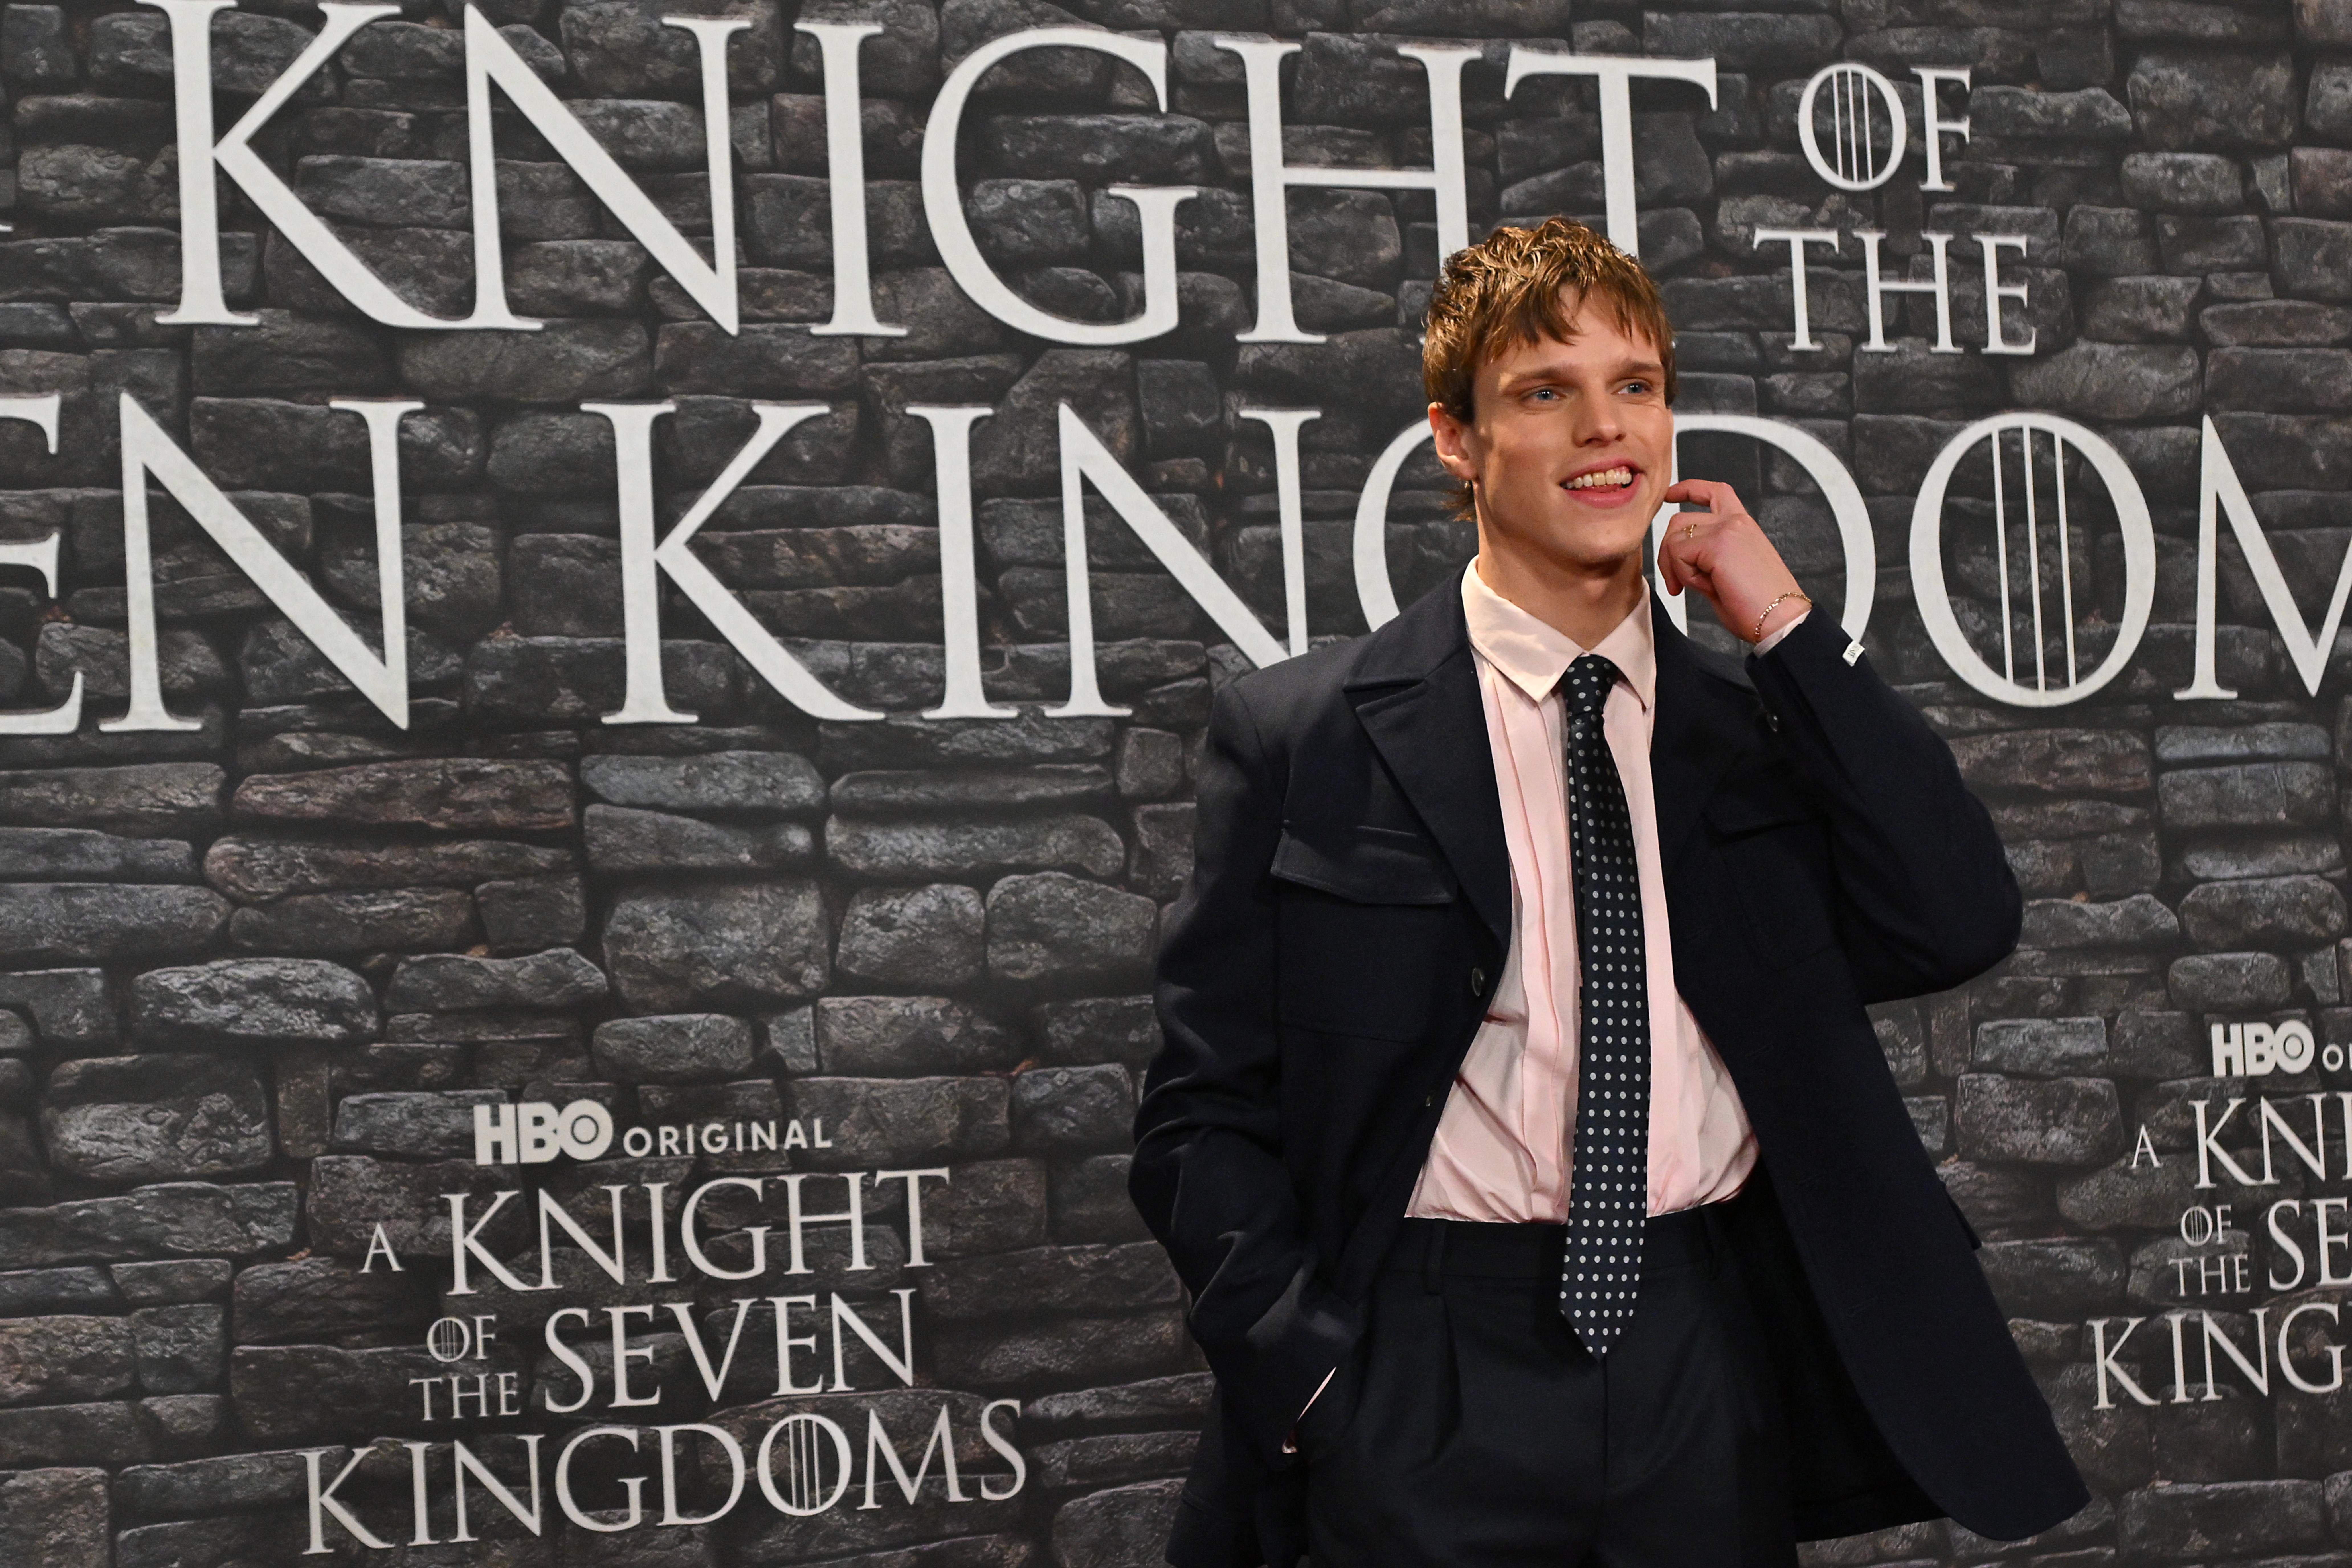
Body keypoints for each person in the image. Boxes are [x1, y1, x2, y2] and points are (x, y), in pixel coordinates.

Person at [1128, 216, 2088, 1568]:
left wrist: (1790, 629)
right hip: (1421, 1371)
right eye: (1545, 390)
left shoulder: (1753, 727)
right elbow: (1200, 1109)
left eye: (1635, 384)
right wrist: (1317, 1378)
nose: (1607, 428)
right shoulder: (1310, 733)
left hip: (1704, 1350)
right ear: (1456, 439)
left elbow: (1959, 913)